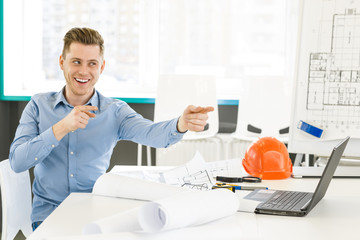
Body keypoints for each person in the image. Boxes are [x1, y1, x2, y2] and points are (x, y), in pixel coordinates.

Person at [9, 27, 214, 231]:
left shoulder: (115, 111)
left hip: (96, 216)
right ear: (62, 62)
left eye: (92, 64)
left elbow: (152, 134)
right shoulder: (38, 105)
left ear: (102, 67)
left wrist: (181, 124)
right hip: (48, 217)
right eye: (76, 62)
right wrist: (61, 128)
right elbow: (17, 162)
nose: (83, 71)